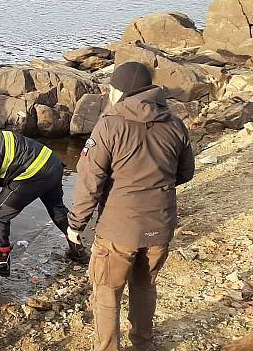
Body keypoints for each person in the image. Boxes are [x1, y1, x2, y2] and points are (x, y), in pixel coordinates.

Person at [67, 62, 194, 351]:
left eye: (111, 89)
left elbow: (89, 181)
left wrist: (76, 225)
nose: (109, 94)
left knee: (107, 293)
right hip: (160, 226)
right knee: (145, 287)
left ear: (120, 91)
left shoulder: (110, 125)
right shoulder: (175, 124)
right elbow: (185, 173)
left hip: (118, 230)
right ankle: (143, 344)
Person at [0, 125, 89, 277]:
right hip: (51, 163)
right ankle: (78, 251)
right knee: (56, 208)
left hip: (33, 174)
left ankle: (1, 262)